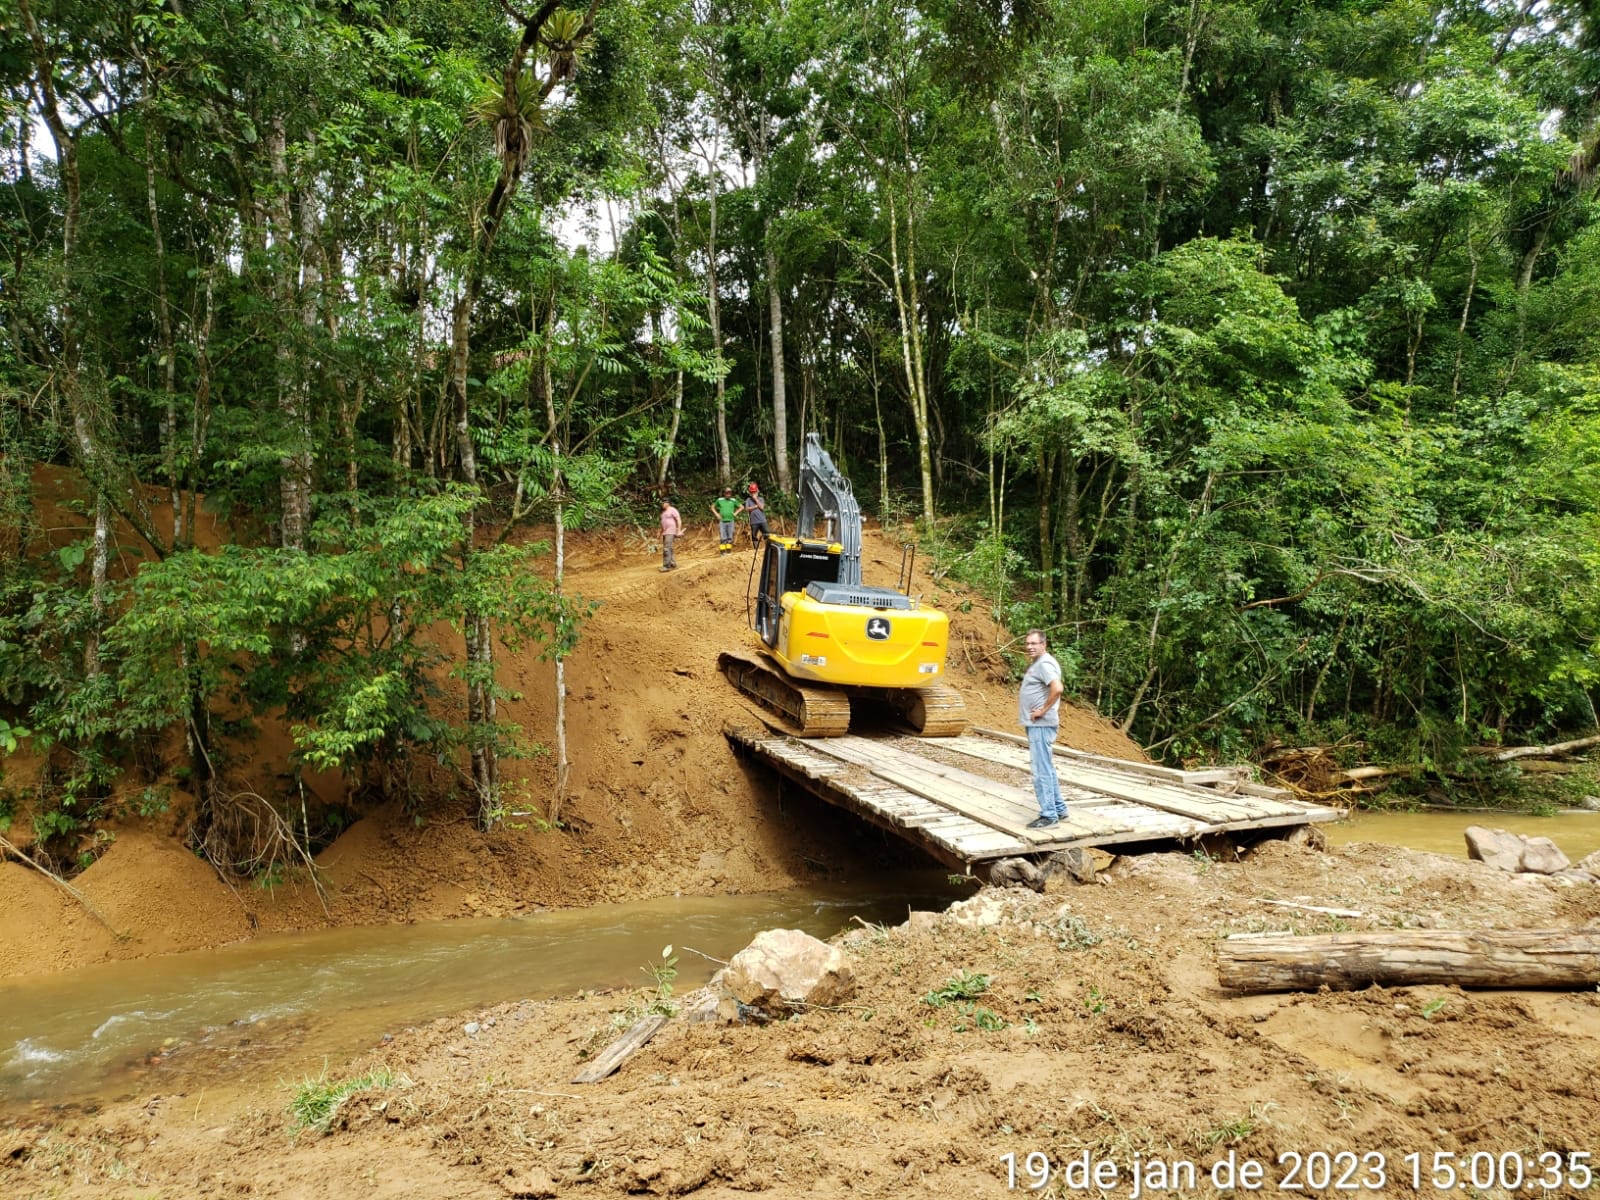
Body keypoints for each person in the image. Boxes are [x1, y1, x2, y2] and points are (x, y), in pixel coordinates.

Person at [1018, 628, 1067, 828]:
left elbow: (1058, 688)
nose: (1030, 647)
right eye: (1027, 643)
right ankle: (1059, 808)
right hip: (1038, 724)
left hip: (1041, 724)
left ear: (1043, 644)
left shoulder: (1045, 663)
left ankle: (1049, 815)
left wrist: (1042, 710)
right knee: (1046, 766)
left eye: (1034, 643)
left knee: (1041, 769)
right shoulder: (1039, 663)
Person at [710, 486, 741, 554]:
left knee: (730, 537)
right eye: (727, 492)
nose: (728, 494)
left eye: (729, 492)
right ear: (724, 493)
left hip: (731, 521)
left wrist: (736, 513)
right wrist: (717, 514)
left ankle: (729, 552)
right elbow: (712, 507)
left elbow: (741, 507)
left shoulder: (733, 500)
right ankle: (722, 553)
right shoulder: (720, 500)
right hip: (722, 521)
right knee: (723, 537)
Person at [742, 483, 769, 548]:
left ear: (757, 491)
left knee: (767, 535)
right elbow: (746, 509)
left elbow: (762, 507)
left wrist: (756, 499)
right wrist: (755, 506)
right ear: (750, 492)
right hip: (754, 522)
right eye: (752, 492)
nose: (753, 493)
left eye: (754, 492)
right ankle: (755, 549)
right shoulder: (748, 500)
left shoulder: (761, 499)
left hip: (762, 520)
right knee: (754, 536)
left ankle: (768, 548)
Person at [659, 497, 682, 571]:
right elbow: (662, 524)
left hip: (670, 531)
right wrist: (660, 532)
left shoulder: (672, 510)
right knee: (669, 548)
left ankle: (666, 566)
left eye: (663, 503)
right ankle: (672, 563)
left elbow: (678, 519)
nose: (662, 504)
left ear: (667, 503)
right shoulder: (663, 513)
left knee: (666, 549)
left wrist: (678, 530)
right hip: (665, 532)